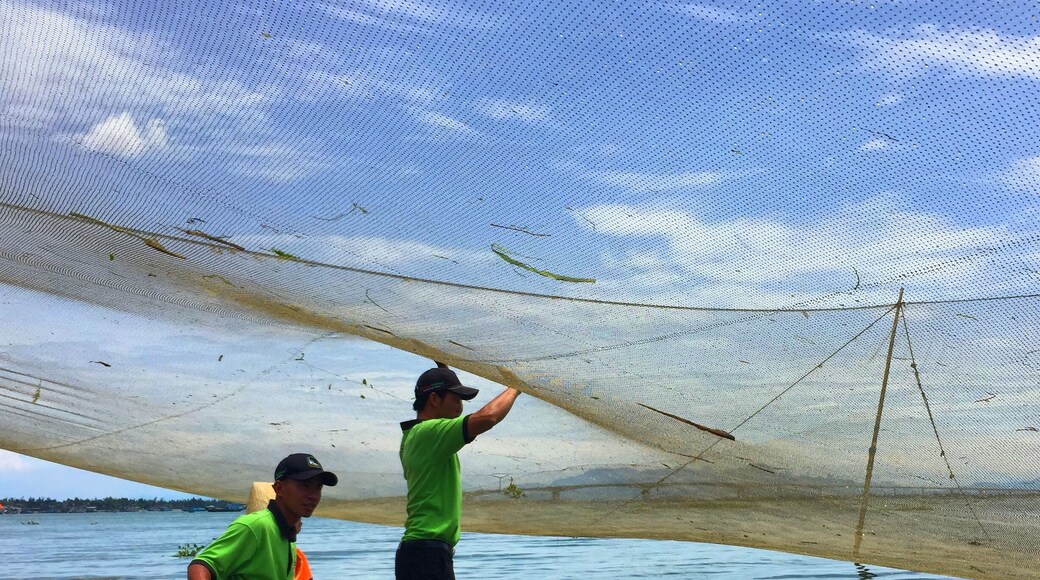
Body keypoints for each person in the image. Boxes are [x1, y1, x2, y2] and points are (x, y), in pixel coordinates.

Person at [396, 365, 521, 580]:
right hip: (426, 554)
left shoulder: (414, 437)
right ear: (434, 399)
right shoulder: (428, 433)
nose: (461, 407)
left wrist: (445, 370)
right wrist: (516, 387)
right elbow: (487, 417)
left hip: (423, 553)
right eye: (456, 399)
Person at [187, 453, 337, 580]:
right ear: (279, 488)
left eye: (318, 488)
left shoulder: (287, 536)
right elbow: (200, 566)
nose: (313, 495)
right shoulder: (256, 526)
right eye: (304, 485)